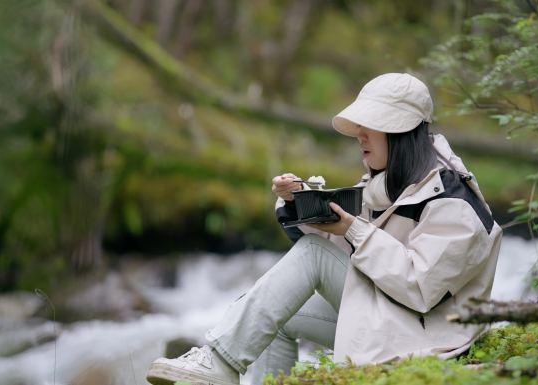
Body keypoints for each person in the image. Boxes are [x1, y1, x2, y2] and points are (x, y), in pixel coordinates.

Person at [146, 73, 502, 385]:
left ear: (400, 129)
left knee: (312, 255)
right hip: (393, 316)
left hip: (430, 336)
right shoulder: (388, 183)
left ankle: (221, 362)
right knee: (275, 315)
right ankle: (223, 365)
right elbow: (348, 256)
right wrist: (298, 205)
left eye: (371, 125)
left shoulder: (453, 199)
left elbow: (418, 285)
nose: (360, 135)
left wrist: (353, 229)